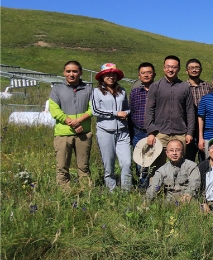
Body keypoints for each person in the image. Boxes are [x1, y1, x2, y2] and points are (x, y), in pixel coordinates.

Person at [144, 55, 196, 172]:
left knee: (180, 166)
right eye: (168, 67)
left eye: (174, 67)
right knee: (157, 166)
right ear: (164, 68)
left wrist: (190, 132)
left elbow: (190, 111)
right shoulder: (155, 86)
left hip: (180, 132)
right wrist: (151, 132)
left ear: (178, 69)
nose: (171, 69)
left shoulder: (185, 87)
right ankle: (156, 184)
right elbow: (149, 110)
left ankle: (178, 184)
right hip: (160, 132)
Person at [49, 60, 93, 188]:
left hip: (83, 133)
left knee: (83, 166)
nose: (71, 74)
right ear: (64, 73)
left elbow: (92, 109)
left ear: (80, 73)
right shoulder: (57, 90)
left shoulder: (88, 89)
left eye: (75, 71)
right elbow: (54, 110)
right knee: (62, 166)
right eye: (68, 71)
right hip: (63, 134)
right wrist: (71, 123)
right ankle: (65, 193)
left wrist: (79, 121)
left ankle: (87, 192)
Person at [91, 63, 132, 191]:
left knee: (127, 163)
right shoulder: (96, 92)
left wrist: (126, 113)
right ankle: (111, 191)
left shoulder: (122, 91)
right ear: (102, 77)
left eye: (113, 74)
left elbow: (127, 108)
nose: (111, 77)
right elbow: (95, 110)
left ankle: (126, 191)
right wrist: (115, 113)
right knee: (109, 164)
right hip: (105, 131)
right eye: (107, 74)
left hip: (123, 132)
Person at [130, 62, 155, 187]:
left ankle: (154, 187)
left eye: (149, 72)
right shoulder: (135, 92)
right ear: (139, 76)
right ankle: (142, 188)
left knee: (154, 161)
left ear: (154, 74)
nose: (146, 75)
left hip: (155, 132)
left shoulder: (158, 91)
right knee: (140, 162)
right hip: (138, 131)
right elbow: (131, 112)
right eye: (143, 73)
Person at [185, 58, 213, 162]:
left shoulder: (207, 87)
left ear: (201, 69)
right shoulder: (183, 87)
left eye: (197, 68)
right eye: (191, 68)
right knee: (188, 159)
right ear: (186, 71)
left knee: (205, 160)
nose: (194, 70)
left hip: (205, 128)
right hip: (188, 129)